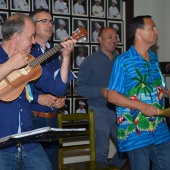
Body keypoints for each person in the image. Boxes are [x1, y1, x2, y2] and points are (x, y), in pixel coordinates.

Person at [0, 13, 76, 170]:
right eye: (30, 37)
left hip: (29, 142)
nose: (34, 41)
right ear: (15, 37)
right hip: (2, 146)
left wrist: (66, 57)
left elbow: (58, 88)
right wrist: (10, 65)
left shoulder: (30, 62)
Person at [108, 15, 170, 170]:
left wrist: (165, 93)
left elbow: (154, 87)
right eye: (152, 28)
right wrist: (140, 106)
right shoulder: (123, 61)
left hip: (160, 128)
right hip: (136, 131)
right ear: (139, 33)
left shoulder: (154, 58)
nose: (157, 31)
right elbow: (112, 95)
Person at [74, 27, 126, 168]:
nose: (113, 40)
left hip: (120, 110)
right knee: (101, 152)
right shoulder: (89, 61)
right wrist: (101, 91)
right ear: (100, 39)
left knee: (127, 147)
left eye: (115, 37)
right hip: (99, 109)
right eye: (109, 37)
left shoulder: (122, 60)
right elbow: (78, 88)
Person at [30, 9, 75, 170]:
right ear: (32, 26)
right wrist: (37, 98)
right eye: (44, 21)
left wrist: (62, 99)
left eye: (51, 21)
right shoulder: (27, 51)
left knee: (52, 165)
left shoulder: (55, 53)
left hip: (53, 118)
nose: (49, 25)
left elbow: (59, 86)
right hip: (33, 119)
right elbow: (15, 88)